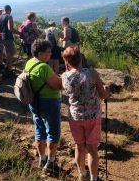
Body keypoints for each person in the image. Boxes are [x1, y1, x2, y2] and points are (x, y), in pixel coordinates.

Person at [62, 46, 110, 181]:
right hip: (93, 116)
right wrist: (108, 92)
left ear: (66, 62)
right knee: (92, 149)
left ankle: (82, 174)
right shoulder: (92, 73)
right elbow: (102, 94)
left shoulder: (64, 77)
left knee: (79, 146)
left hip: (75, 117)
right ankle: (94, 178)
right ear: (81, 58)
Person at [25, 39, 62, 174]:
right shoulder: (44, 67)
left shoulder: (29, 62)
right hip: (49, 102)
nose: (50, 54)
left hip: (35, 102)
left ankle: (42, 159)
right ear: (40, 53)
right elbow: (58, 85)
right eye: (48, 52)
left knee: (39, 129)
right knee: (53, 132)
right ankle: (51, 163)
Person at [0, 4, 16, 75]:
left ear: (4, 10)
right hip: (8, 37)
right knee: (11, 53)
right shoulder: (9, 16)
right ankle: (9, 70)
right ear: (10, 10)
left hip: (1, 37)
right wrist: (19, 33)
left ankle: (7, 68)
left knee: (9, 53)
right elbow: (10, 28)